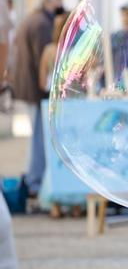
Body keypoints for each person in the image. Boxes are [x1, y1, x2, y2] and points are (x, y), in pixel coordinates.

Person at [10, 0, 63, 195]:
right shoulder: (42, 24)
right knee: (39, 139)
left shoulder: (34, 19)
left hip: (30, 87)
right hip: (37, 89)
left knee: (37, 137)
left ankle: (35, 179)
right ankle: (35, 181)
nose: (61, 2)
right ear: (49, 0)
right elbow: (45, 62)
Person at [37, 11, 84, 218]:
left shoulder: (48, 50)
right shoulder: (78, 51)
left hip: (52, 107)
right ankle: (75, 205)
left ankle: (55, 204)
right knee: (74, 153)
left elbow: (41, 82)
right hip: (73, 107)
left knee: (54, 154)